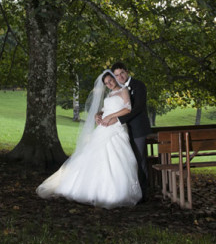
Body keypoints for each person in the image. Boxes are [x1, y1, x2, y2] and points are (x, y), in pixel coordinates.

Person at [36, 70, 142, 208]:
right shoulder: (110, 94)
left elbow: (128, 109)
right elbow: (105, 109)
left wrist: (111, 117)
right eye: (106, 83)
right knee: (94, 155)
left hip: (116, 128)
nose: (109, 84)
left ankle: (114, 193)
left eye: (111, 80)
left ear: (115, 79)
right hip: (104, 126)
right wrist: (98, 114)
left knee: (117, 157)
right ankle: (87, 188)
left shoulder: (124, 91)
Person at [105, 61, 152, 195]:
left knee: (140, 159)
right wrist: (100, 115)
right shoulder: (118, 90)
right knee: (128, 160)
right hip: (123, 131)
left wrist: (118, 119)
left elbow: (138, 108)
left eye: (122, 73)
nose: (120, 77)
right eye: (117, 75)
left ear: (127, 71)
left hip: (138, 129)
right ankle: (131, 191)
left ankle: (144, 192)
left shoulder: (138, 85)